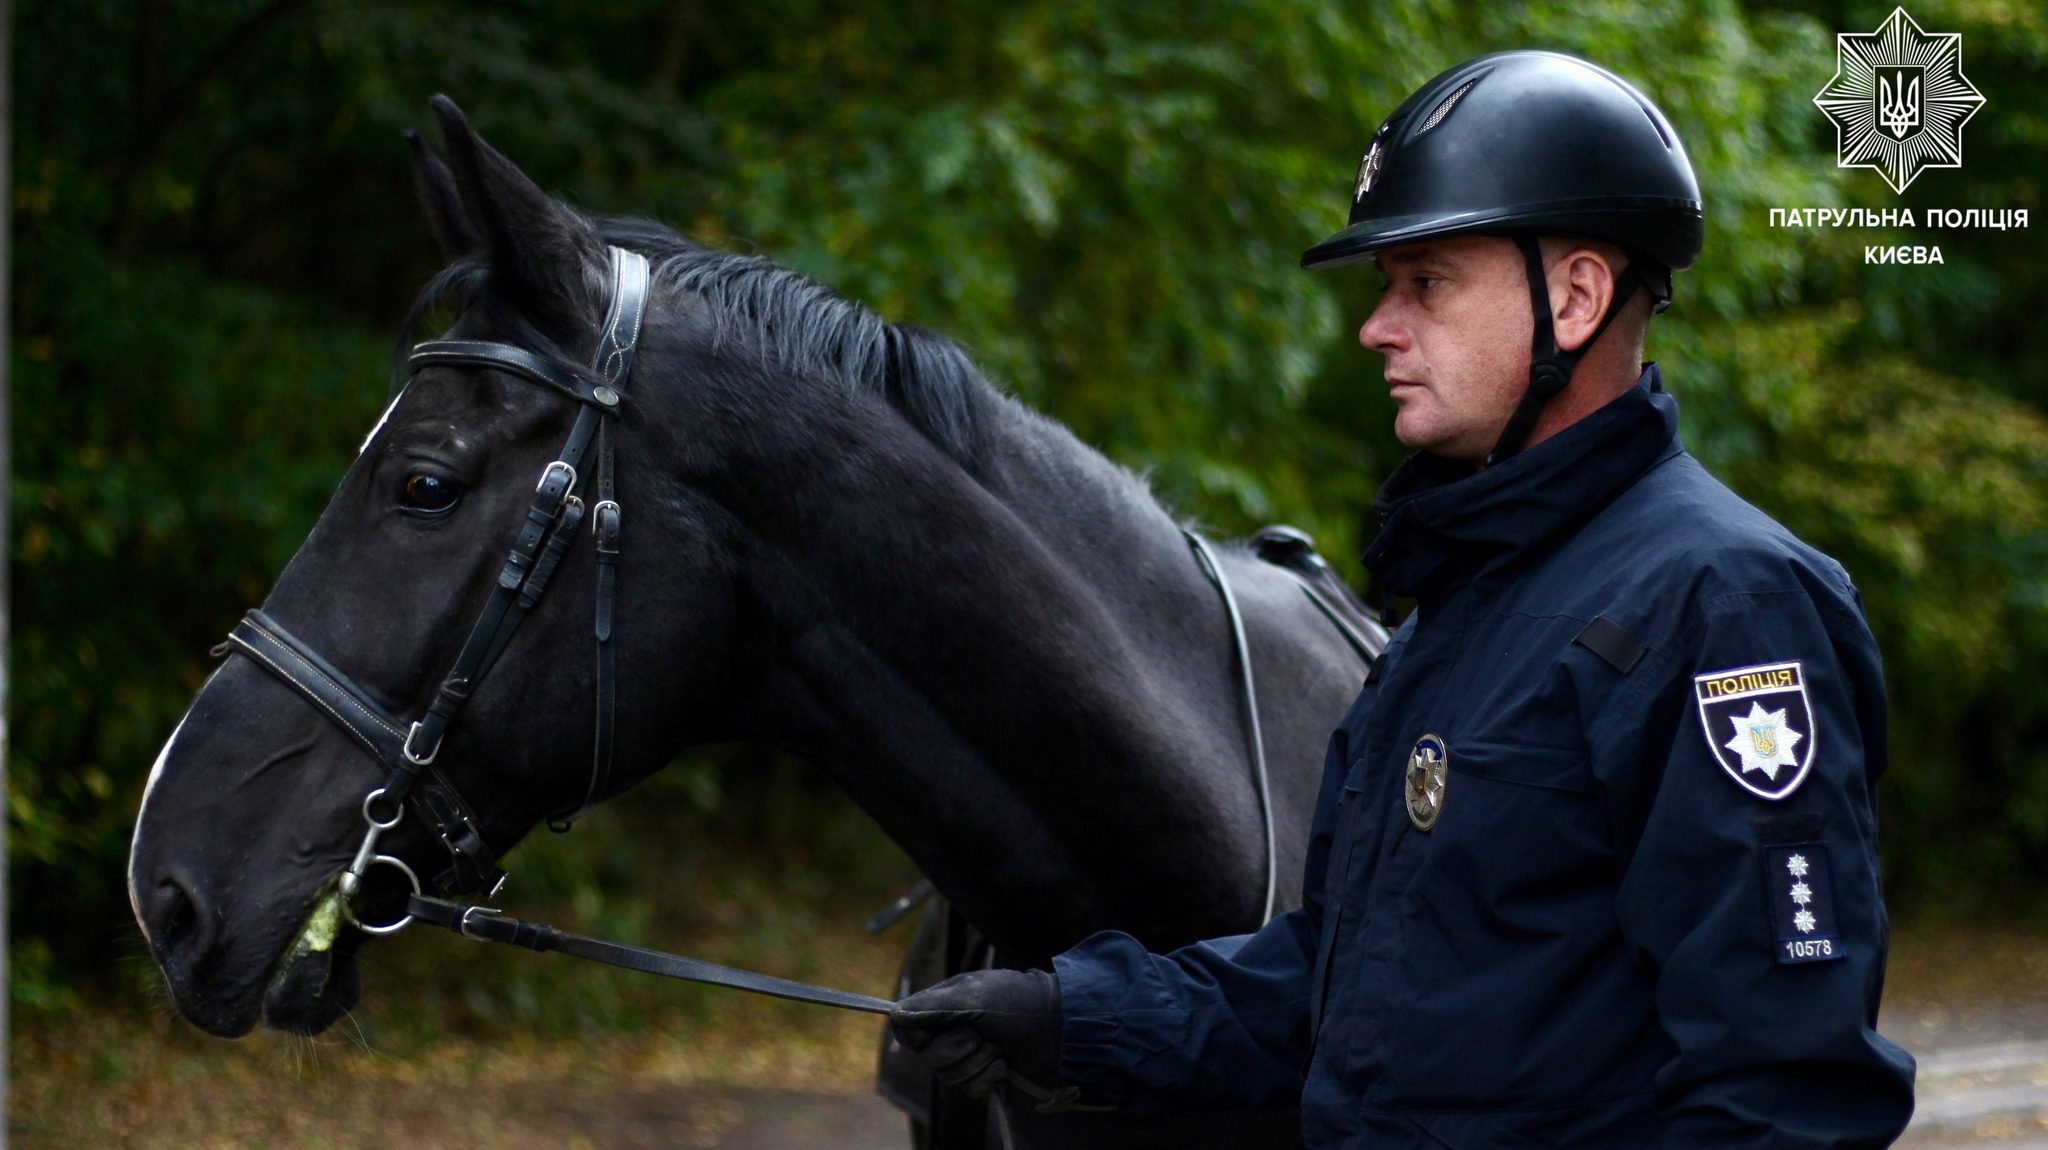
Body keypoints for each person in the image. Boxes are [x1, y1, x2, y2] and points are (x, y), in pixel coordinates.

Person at [889, 49, 1918, 1147]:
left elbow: (1783, 1097)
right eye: (1384, 288)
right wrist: (1072, 1015)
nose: (1375, 327)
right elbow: (1337, 995)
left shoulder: (1723, 605)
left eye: (1422, 283)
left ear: (1572, 296)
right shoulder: (1456, 612)